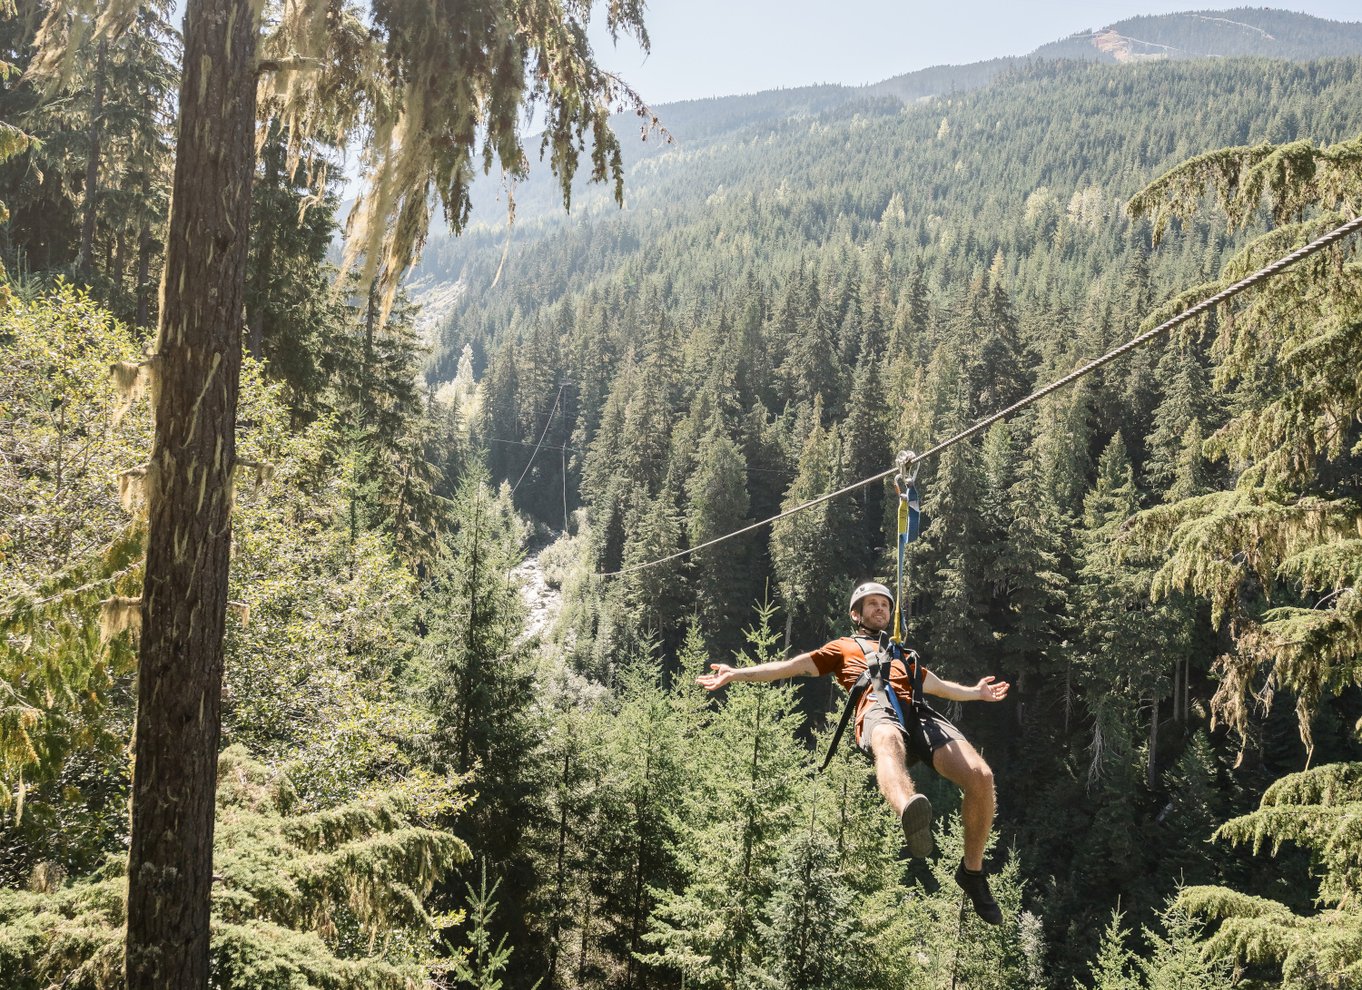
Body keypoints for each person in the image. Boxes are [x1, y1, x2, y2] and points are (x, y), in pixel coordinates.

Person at [696, 581, 1010, 924]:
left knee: (981, 776)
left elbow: (940, 687)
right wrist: (736, 674)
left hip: (917, 713)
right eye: (872, 604)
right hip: (875, 709)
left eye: (884, 605)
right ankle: (909, 807)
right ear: (856, 614)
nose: (880, 610)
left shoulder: (902, 654)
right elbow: (788, 667)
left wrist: (976, 693)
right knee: (888, 739)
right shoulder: (842, 648)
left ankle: (972, 873)